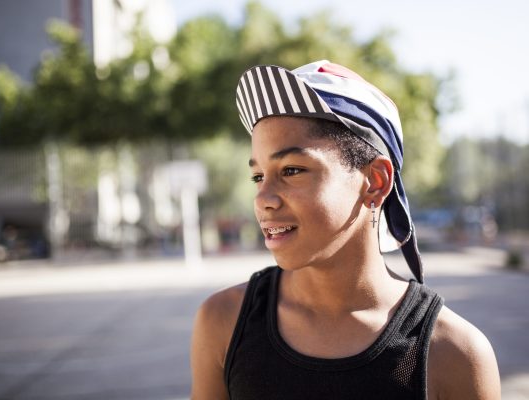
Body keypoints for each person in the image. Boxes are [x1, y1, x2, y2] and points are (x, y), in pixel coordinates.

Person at [190, 60, 500, 399]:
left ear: (375, 181)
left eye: (291, 170)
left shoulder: (454, 353)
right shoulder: (224, 322)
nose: (263, 198)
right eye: (258, 176)